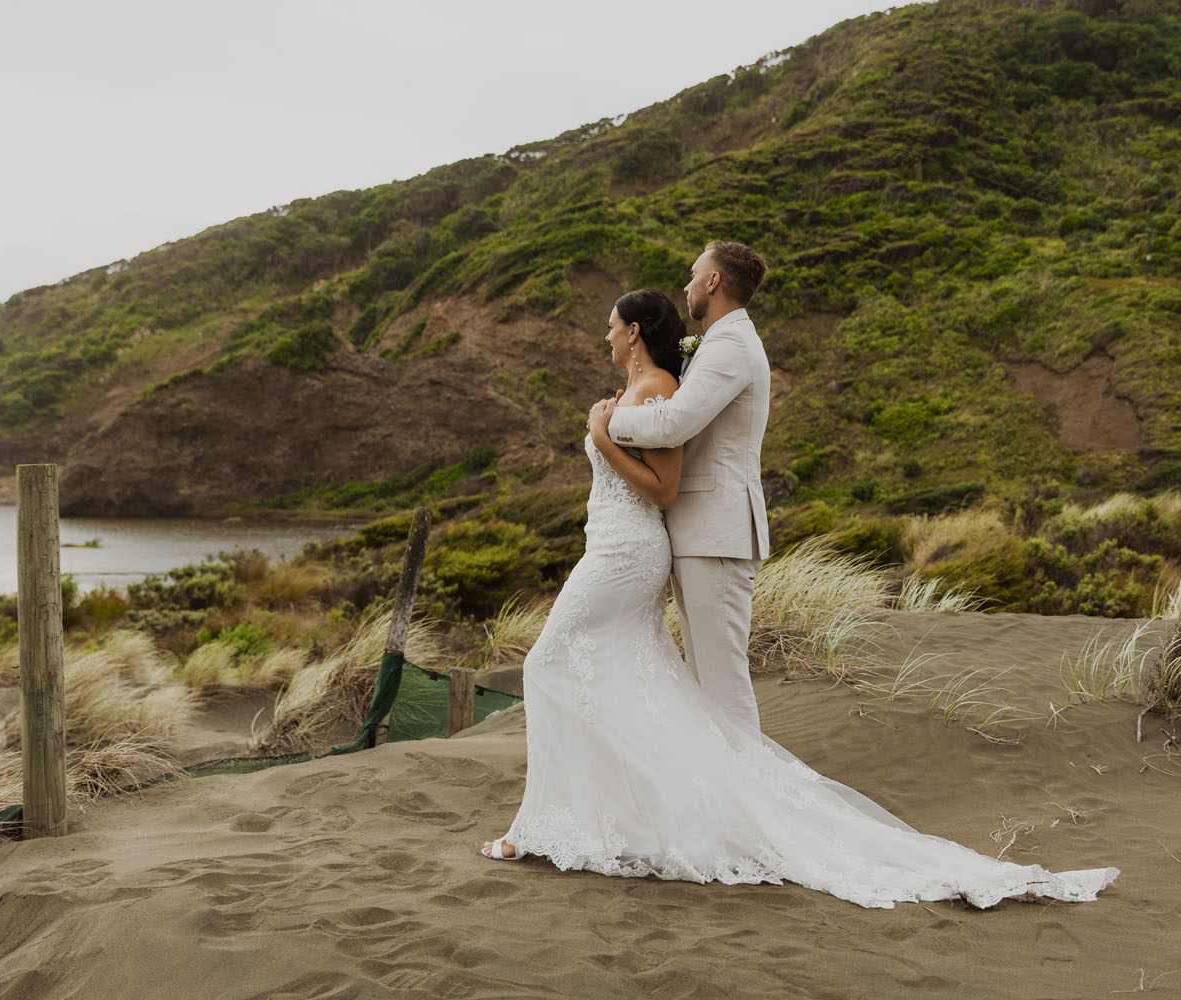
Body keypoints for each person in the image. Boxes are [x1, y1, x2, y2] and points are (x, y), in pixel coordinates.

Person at [478, 282, 1119, 910]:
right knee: (642, 681)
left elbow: (665, 480)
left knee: (557, 664)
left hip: (633, 551)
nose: (606, 334)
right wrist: (611, 421)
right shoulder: (647, 388)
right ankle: (613, 819)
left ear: (636, 330)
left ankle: (701, 822)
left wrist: (602, 431)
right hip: (625, 547)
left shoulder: (676, 381)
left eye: (612, 324)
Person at [600, 240, 772, 730]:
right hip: (702, 533)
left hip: (718, 533)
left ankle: (751, 804)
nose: (687, 285)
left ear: (714, 282)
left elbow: (674, 423)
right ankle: (726, 800)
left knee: (724, 689)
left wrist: (608, 427)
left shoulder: (732, 345)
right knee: (705, 685)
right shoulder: (721, 342)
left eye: (694, 274)